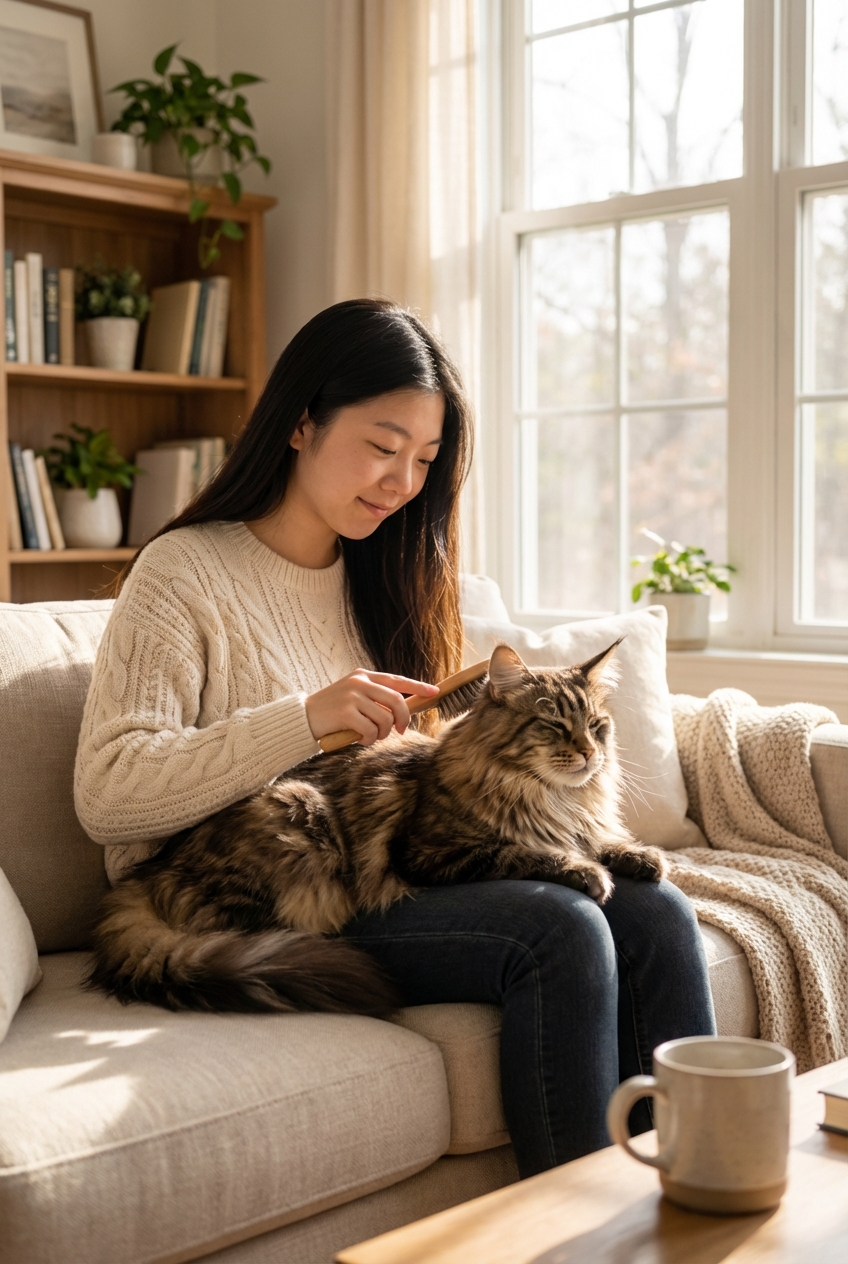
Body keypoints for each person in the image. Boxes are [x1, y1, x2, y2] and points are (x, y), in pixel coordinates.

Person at [75, 298, 716, 1179]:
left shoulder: (387, 571)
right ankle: (579, 1230)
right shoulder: (182, 571)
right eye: (382, 447)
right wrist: (303, 718)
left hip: (391, 856)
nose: (403, 483)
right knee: (559, 927)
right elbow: (108, 794)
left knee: (656, 908)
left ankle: (709, 1183)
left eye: (424, 460)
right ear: (301, 423)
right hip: (277, 883)